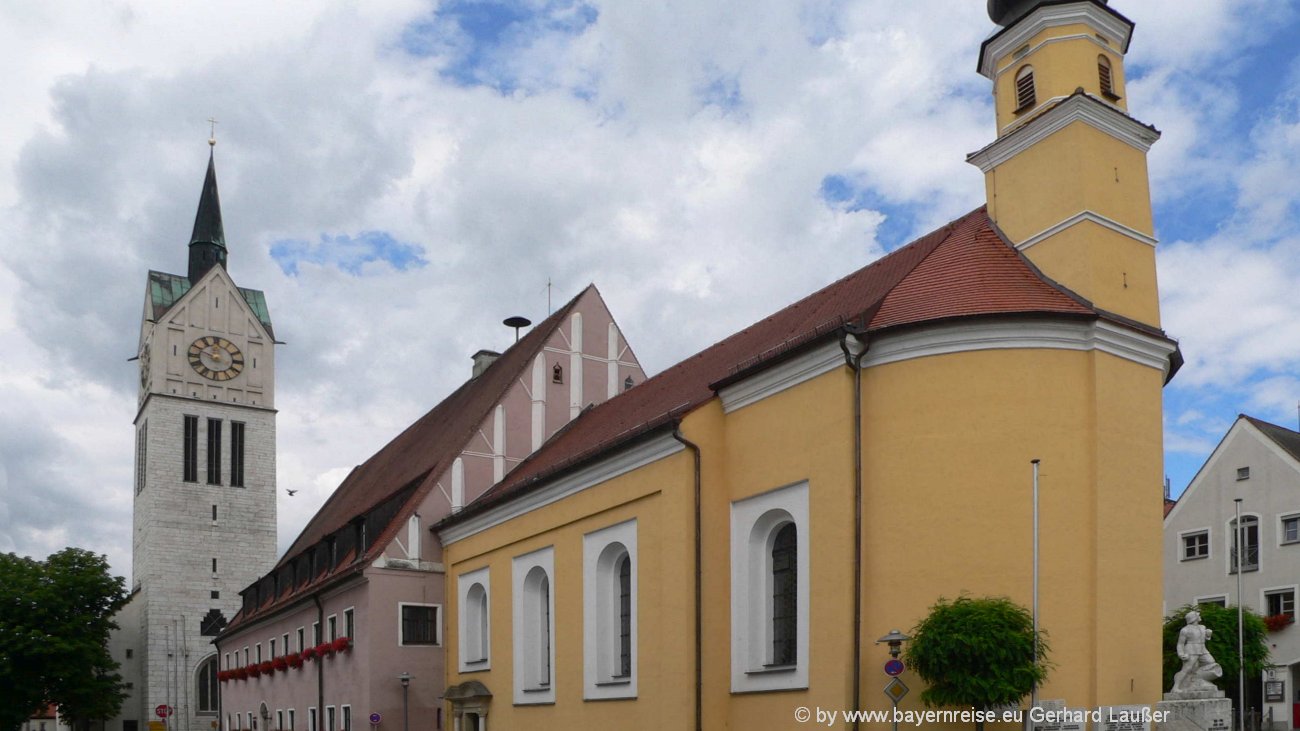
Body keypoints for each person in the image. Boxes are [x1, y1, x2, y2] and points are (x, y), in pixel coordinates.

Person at [1172, 610, 1222, 692]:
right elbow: (1180, 644)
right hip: (1191, 650)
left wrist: (1208, 634)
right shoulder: (1185, 630)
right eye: (1198, 615)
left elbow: (1203, 637)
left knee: (1211, 662)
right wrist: (1181, 654)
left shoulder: (1202, 627)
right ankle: (1176, 687)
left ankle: (1196, 679)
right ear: (1194, 618)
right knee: (1187, 668)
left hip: (1203, 649)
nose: (1200, 616)